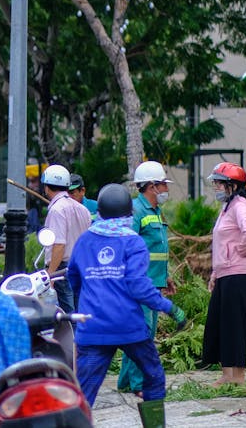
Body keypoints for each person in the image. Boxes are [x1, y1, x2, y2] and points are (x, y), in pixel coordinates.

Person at [68, 183, 187, 428]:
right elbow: (139, 286)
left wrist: (88, 303)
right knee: (153, 376)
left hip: (93, 327)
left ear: (100, 211)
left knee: (83, 394)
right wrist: (169, 308)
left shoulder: (84, 240)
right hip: (128, 326)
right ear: (128, 213)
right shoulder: (133, 242)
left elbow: (73, 279)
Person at [118, 160, 173, 396]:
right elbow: (127, 248)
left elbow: (158, 248)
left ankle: (125, 381)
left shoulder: (155, 211)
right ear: (152, 186)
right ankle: (139, 384)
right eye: (163, 185)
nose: (166, 189)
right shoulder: (136, 211)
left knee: (141, 332)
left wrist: (165, 276)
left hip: (154, 281)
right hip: (140, 284)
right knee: (142, 333)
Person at [202, 161, 246, 386]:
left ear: (233, 186)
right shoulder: (227, 207)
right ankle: (227, 374)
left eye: (220, 183)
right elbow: (221, 243)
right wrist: (215, 274)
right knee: (220, 324)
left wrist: (241, 250)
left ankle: (238, 377)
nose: (216, 187)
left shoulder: (240, 206)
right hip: (226, 274)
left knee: (234, 325)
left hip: (238, 274)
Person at [40, 165, 91, 315]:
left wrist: (50, 275)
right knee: (79, 312)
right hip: (81, 264)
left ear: (46, 187)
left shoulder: (57, 210)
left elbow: (59, 245)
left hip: (62, 268)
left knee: (67, 313)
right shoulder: (83, 209)